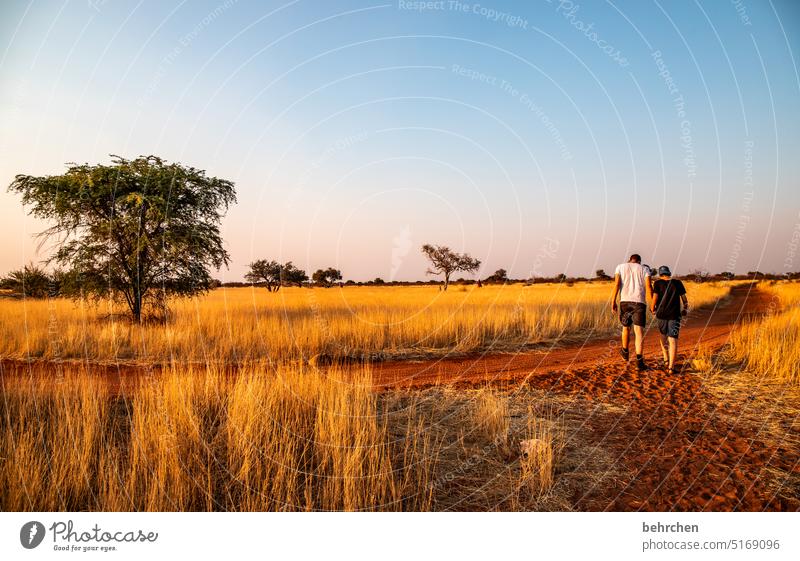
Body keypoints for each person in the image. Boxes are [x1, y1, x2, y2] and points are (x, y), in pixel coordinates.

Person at [611, 254, 652, 370]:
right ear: (639, 261)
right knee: (639, 331)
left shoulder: (620, 267)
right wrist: (653, 304)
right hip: (639, 303)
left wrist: (613, 301)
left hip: (624, 302)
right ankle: (639, 362)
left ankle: (625, 351)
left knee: (625, 328)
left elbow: (617, 284)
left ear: (630, 260)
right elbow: (649, 287)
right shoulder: (645, 269)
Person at [650, 265, 688, 374]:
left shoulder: (657, 283)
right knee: (673, 340)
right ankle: (671, 367)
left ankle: (666, 359)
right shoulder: (677, 283)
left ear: (660, 274)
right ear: (669, 273)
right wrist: (685, 309)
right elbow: (685, 300)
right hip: (674, 315)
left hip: (661, 314)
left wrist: (652, 309)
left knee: (663, 336)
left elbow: (655, 298)